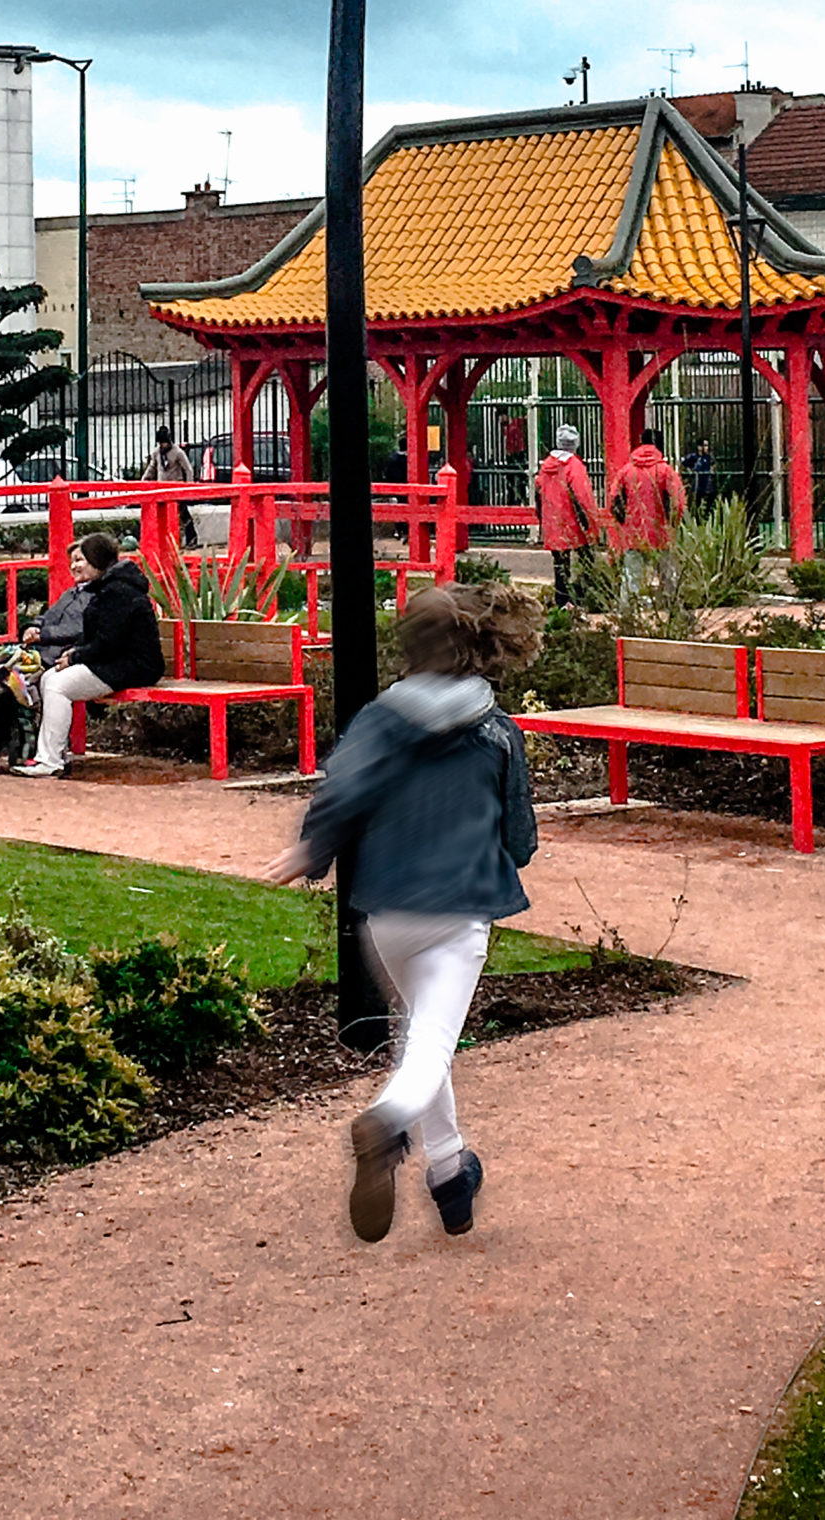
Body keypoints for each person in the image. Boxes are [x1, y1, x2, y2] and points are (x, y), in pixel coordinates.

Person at [264, 583, 539, 1243]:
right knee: (430, 1048)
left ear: (409, 647)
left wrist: (313, 851)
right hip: (461, 904)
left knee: (420, 1032)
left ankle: (450, 1174)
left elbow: (341, 793)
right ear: (479, 648)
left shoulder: (381, 720)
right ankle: (385, 1125)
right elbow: (521, 839)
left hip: (387, 908)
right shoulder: (496, 730)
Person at [13, 531, 166, 777]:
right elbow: (97, 637)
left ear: (96, 560)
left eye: (80, 559)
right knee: (50, 677)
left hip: (135, 665)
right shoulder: (105, 588)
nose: (74, 567)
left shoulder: (119, 592)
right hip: (114, 660)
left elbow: (110, 642)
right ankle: (53, 754)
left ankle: (50, 761)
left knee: (58, 685)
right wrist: (75, 653)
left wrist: (75, 657)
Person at [607, 428, 688, 601]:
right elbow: (677, 501)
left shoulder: (626, 471)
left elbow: (614, 499)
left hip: (633, 534)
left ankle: (628, 613)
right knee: (668, 578)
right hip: (661, 533)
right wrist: (674, 523)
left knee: (631, 579)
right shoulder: (665, 471)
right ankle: (673, 609)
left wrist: (623, 524)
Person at [535, 425, 600, 605]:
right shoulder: (574, 466)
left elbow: (538, 493)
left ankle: (561, 601)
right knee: (587, 560)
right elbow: (583, 496)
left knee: (560, 566)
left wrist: (542, 520)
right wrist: (591, 523)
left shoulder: (546, 466)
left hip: (553, 522)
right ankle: (583, 597)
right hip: (573, 523)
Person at [141, 423, 199, 547]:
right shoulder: (157, 453)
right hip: (161, 487)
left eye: (164, 443)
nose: (162, 445)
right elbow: (152, 467)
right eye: (160, 443)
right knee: (161, 516)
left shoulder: (178, 452)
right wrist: (144, 480)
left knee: (183, 514)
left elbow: (188, 469)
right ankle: (164, 541)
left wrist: (189, 486)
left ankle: (192, 538)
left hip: (176, 487)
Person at [686, 438, 718, 514]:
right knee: (697, 503)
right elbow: (684, 465)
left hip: (707, 484)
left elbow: (714, 464)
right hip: (697, 484)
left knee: (709, 503)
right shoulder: (693, 457)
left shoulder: (708, 457)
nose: (706, 448)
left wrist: (711, 470)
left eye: (707, 446)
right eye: (704, 445)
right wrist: (690, 473)